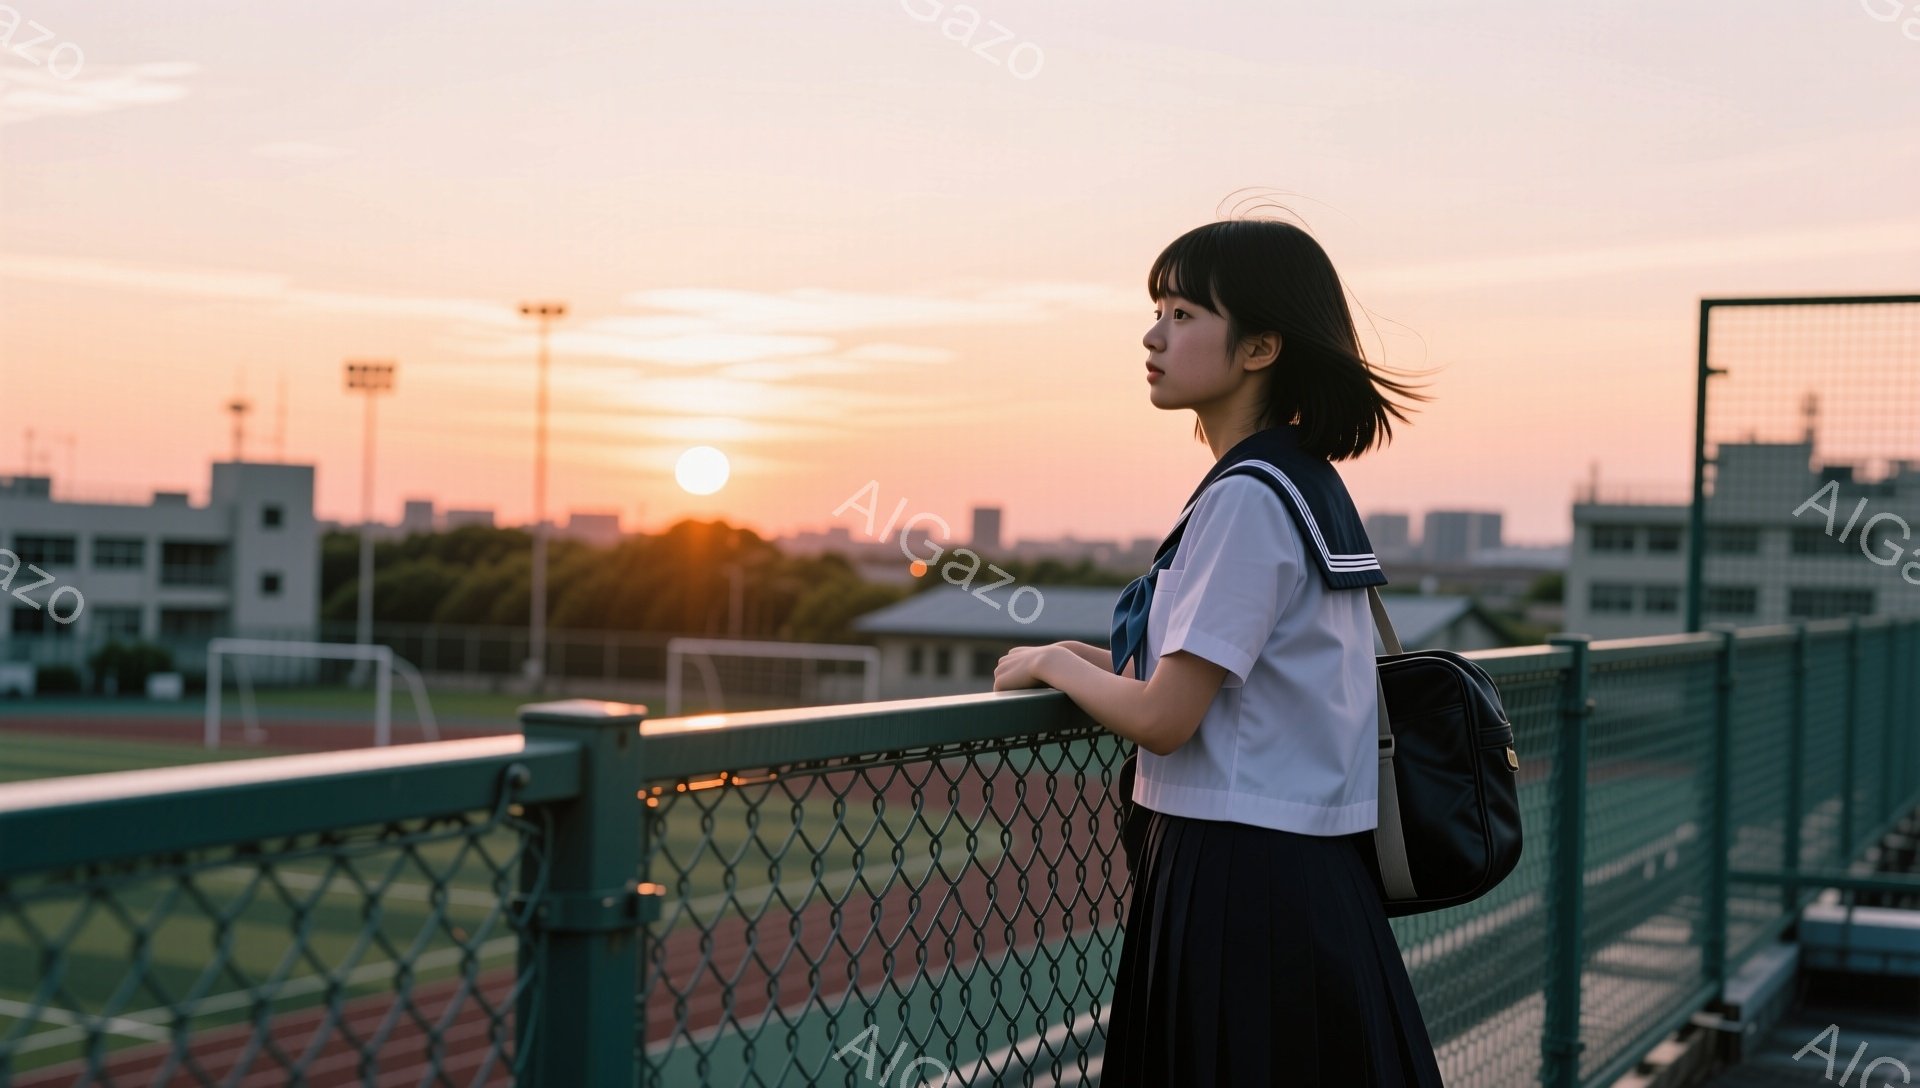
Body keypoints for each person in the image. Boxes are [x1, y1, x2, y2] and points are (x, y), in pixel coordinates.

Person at [993, 217, 1445, 1086]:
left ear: (1261, 346)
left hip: (1241, 876)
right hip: (1300, 875)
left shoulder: (1245, 498)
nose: (1152, 335)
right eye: (1158, 309)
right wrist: (1077, 654)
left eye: (1184, 312)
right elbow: (1215, 666)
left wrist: (1052, 663)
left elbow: (1165, 716)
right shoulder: (1299, 478)